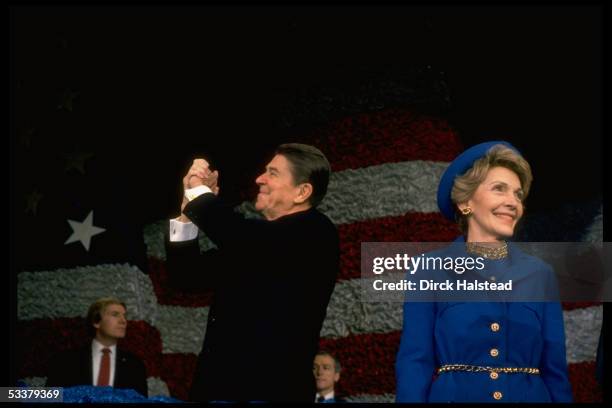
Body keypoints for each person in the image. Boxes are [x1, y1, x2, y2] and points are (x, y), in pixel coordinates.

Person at [395, 141, 573, 402]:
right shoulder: (428, 271)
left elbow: (555, 371)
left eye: (518, 194)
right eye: (499, 189)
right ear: (466, 201)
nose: (512, 202)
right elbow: (415, 362)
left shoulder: (540, 275)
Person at [166, 143, 340, 402]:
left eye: (273, 172)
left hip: (272, 394)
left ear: (302, 192)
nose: (259, 178)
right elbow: (186, 276)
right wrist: (186, 211)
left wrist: (199, 192)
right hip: (216, 391)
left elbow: (242, 236)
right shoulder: (256, 245)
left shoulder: (316, 231)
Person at [46, 297, 148, 397]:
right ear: (96, 321)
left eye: (124, 316)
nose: (123, 321)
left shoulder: (135, 366)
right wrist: (30, 395)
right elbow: (45, 398)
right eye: (115, 314)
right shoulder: (65, 361)